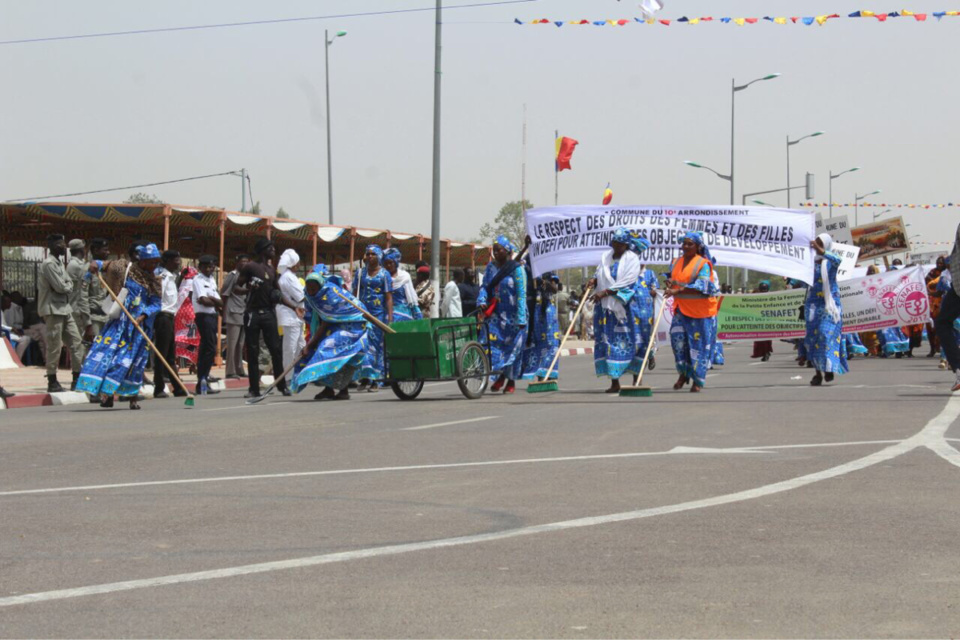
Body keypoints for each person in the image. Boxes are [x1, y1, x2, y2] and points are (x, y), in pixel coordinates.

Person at [77, 244, 163, 409]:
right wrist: (95, 266)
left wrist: (143, 316)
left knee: (133, 362)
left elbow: (156, 303)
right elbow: (101, 264)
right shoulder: (124, 268)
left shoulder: (155, 280)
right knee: (110, 357)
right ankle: (107, 395)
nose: (153, 266)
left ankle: (132, 397)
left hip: (139, 327)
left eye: (156, 262)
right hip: (119, 322)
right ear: (142, 261)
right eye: (150, 262)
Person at [293, 269, 369, 400]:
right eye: (309, 288)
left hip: (354, 325)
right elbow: (316, 317)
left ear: (320, 286)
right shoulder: (311, 296)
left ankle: (338, 389)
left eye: (313, 288)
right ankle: (332, 389)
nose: (311, 291)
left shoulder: (329, 296)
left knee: (326, 349)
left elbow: (326, 322)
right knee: (329, 352)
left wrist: (309, 345)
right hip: (335, 324)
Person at [590, 229, 645, 393]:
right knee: (608, 342)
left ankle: (637, 377)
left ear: (626, 244)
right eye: (615, 242)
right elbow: (599, 273)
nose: (616, 245)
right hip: (606, 309)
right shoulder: (606, 258)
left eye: (620, 243)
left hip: (625, 307)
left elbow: (628, 281)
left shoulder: (632, 259)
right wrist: (593, 280)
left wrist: (606, 292)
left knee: (632, 341)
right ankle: (615, 382)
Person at [665, 231, 720, 393]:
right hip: (680, 309)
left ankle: (697, 379)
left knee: (698, 345)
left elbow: (702, 287)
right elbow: (674, 279)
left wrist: (677, 290)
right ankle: (683, 373)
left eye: (690, 244)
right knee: (678, 343)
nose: (686, 247)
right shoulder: (675, 262)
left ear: (697, 247)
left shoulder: (702, 264)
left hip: (700, 312)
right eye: (684, 243)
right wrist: (670, 283)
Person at [238, 238, 290, 399]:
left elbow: (278, 293)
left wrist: (294, 307)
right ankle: (254, 388)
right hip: (252, 313)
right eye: (270, 247)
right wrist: (248, 289)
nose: (273, 249)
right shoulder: (250, 267)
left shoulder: (271, 269)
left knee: (275, 350)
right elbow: (236, 287)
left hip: (268, 313)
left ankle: (281, 385)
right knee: (252, 351)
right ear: (262, 250)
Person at [477, 235, 528, 393]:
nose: (496, 253)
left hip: (515, 317)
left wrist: (521, 318)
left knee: (513, 349)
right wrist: (482, 300)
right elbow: (485, 286)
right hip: (497, 314)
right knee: (491, 343)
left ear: (507, 251)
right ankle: (498, 375)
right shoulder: (490, 268)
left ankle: (510, 380)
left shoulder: (517, 269)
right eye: (494, 251)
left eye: (499, 250)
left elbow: (521, 294)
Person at [38, 234, 85, 393]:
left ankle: (76, 378)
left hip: (65, 308)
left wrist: (66, 285)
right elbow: (61, 287)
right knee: (54, 345)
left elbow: (68, 283)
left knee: (76, 342)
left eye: (64, 244)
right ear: (51, 245)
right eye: (60, 244)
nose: (63, 247)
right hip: (52, 309)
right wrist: (66, 285)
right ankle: (52, 380)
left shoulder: (59, 263)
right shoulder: (49, 264)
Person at [804, 233, 848, 386]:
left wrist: (822, 252)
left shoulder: (830, 261)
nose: (816, 247)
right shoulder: (809, 263)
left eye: (820, 244)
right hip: (813, 306)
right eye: (815, 244)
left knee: (824, 334)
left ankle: (828, 367)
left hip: (829, 306)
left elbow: (839, 260)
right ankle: (817, 374)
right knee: (812, 339)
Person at [354, 245, 393, 390]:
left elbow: (388, 297)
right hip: (362, 314)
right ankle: (365, 378)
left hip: (378, 315)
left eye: (373, 254)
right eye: (368, 254)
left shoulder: (384, 275)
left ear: (379, 256)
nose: (370, 256)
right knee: (363, 345)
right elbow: (354, 293)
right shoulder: (360, 273)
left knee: (376, 347)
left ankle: (376, 379)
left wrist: (390, 317)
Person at [153, 250, 187, 398]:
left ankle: (178, 387)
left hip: (170, 317)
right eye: (175, 260)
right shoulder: (163, 276)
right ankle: (159, 387)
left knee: (170, 356)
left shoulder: (172, 276)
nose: (178, 263)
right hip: (162, 317)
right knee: (162, 354)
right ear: (167, 261)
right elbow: (158, 297)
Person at [520, 272, 561, 382]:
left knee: (552, 343)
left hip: (548, 313)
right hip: (535, 312)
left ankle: (550, 372)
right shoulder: (529, 271)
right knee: (537, 343)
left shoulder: (550, 272)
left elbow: (554, 289)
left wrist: (543, 282)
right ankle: (541, 374)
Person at [192, 255, 223, 394]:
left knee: (207, 348)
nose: (210, 269)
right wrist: (213, 300)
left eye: (212, 266)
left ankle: (203, 380)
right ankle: (203, 378)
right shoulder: (198, 280)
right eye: (207, 266)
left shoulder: (211, 280)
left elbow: (220, 302)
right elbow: (203, 300)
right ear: (201, 267)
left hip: (211, 315)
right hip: (203, 316)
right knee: (210, 348)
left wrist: (213, 300)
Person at [276, 248, 306, 375]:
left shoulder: (290, 276)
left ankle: (302, 372)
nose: (299, 265)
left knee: (301, 345)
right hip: (291, 316)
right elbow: (300, 296)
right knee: (290, 348)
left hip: (297, 316)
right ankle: (288, 376)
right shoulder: (288, 277)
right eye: (298, 263)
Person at [219, 254, 249, 379]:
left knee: (240, 343)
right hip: (233, 312)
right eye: (243, 261)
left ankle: (239, 368)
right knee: (232, 343)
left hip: (243, 312)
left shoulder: (246, 277)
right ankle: (230, 370)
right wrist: (223, 312)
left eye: (247, 261)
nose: (245, 264)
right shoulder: (232, 276)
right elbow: (224, 294)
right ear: (237, 262)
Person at [66, 239, 93, 377]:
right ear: (82, 250)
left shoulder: (77, 264)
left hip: (78, 306)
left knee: (83, 342)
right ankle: (79, 372)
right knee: (80, 342)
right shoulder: (75, 265)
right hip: (77, 308)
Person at [382, 248, 422, 322]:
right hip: (386, 315)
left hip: (404, 315)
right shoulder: (382, 277)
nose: (388, 265)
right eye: (386, 263)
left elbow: (411, 297)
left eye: (391, 263)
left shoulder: (405, 276)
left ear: (396, 262)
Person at [86, 238, 111, 338]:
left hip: (106, 316)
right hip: (94, 317)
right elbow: (83, 296)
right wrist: (87, 323)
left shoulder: (107, 270)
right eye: (105, 250)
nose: (108, 252)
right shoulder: (88, 270)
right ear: (96, 251)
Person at [750, 280, 774, 361]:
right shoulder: (755, 295)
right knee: (761, 338)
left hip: (766, 320)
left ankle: (766, 352)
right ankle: (764, 352)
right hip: (758, 320)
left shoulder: (773, 297)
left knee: (765, 338)